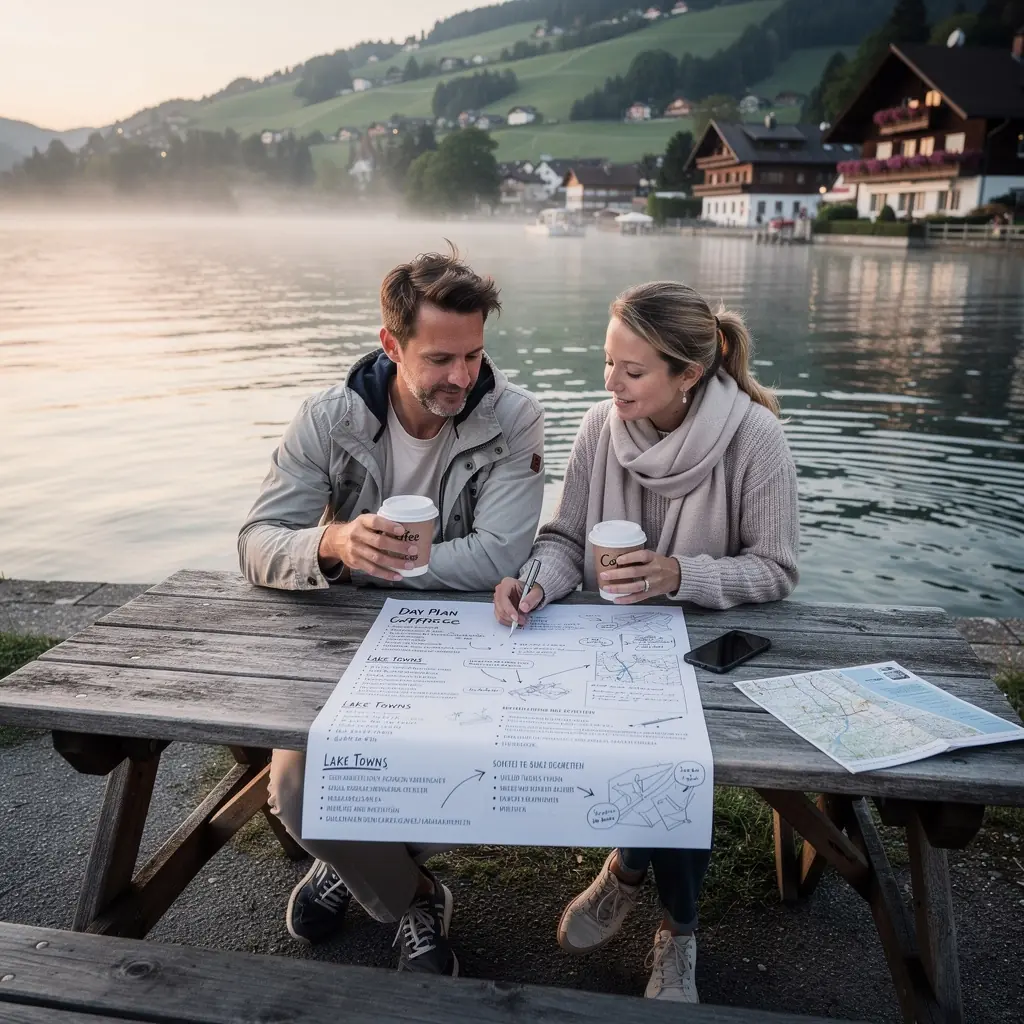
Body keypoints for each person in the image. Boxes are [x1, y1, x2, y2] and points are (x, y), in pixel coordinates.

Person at [239, 246, 545, 977]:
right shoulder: (327, 417)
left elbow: (504, 554)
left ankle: (352, 867)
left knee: (471, 765)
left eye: (473, 356)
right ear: (391, 345)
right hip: (343, 638)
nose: (462, 378)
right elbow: (256, 541)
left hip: (461, 636)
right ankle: (414, 896)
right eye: (440, 359)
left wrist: (391, 567)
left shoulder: (514, 419)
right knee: (295, 787)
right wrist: (337, 542)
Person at [493, 281, 799, 1002]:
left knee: (677, 755)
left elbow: (775, 569)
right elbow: (566, 538)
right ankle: (631, 867)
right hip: (614, 638)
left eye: (632, 372)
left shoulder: (756, 438)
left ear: (688, 374)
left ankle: (674, 926)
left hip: (707, 643)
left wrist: (679, 574)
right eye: (608, 364)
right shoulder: (600, 428)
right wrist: (534, 582)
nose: (611, 383)